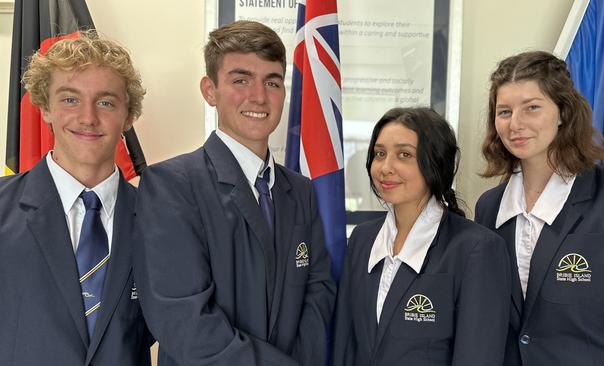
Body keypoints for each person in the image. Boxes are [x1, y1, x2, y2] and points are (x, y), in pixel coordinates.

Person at [134, 20, 336, 366]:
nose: (258, 96)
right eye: (240, 80)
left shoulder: (300, 191)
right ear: (209, 90)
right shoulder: (170, 186)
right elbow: (183, 320)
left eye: (272, 82)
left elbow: (319, 295)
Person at [474, 50, 604, 366]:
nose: (516, 124)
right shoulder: (489, 209)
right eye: (504, 112)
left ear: (563, 113)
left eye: (532, 108)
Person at [0, 32, 152, 365]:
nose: (88, 117)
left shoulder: (159, 218)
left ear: (128, 116)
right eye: (70, 99)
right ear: (45, 108)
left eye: (106, 102)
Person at [332, 107, 510, 366]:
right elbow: (345, 346)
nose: (385, 167)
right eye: (379, 154)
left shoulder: (476, 248)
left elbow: (477, 356)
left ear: (434, 162)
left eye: (404, 155)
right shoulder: (362, 239)